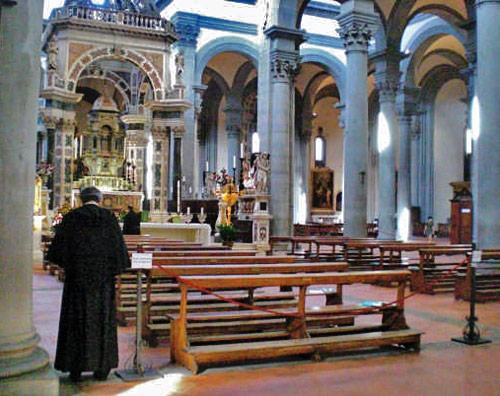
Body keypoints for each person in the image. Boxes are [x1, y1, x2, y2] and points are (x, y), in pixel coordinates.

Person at [47, 186, 130, 382]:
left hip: (77, 282)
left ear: (81, 200)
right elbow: (120, 252)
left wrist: (72, 266)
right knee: (102, 320)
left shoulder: (71, 218)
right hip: (102, 283)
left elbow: (57, 251)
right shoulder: (108, 218)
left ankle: (74, 367)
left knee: (75, 321)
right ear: (100, 200)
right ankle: (101, 368)